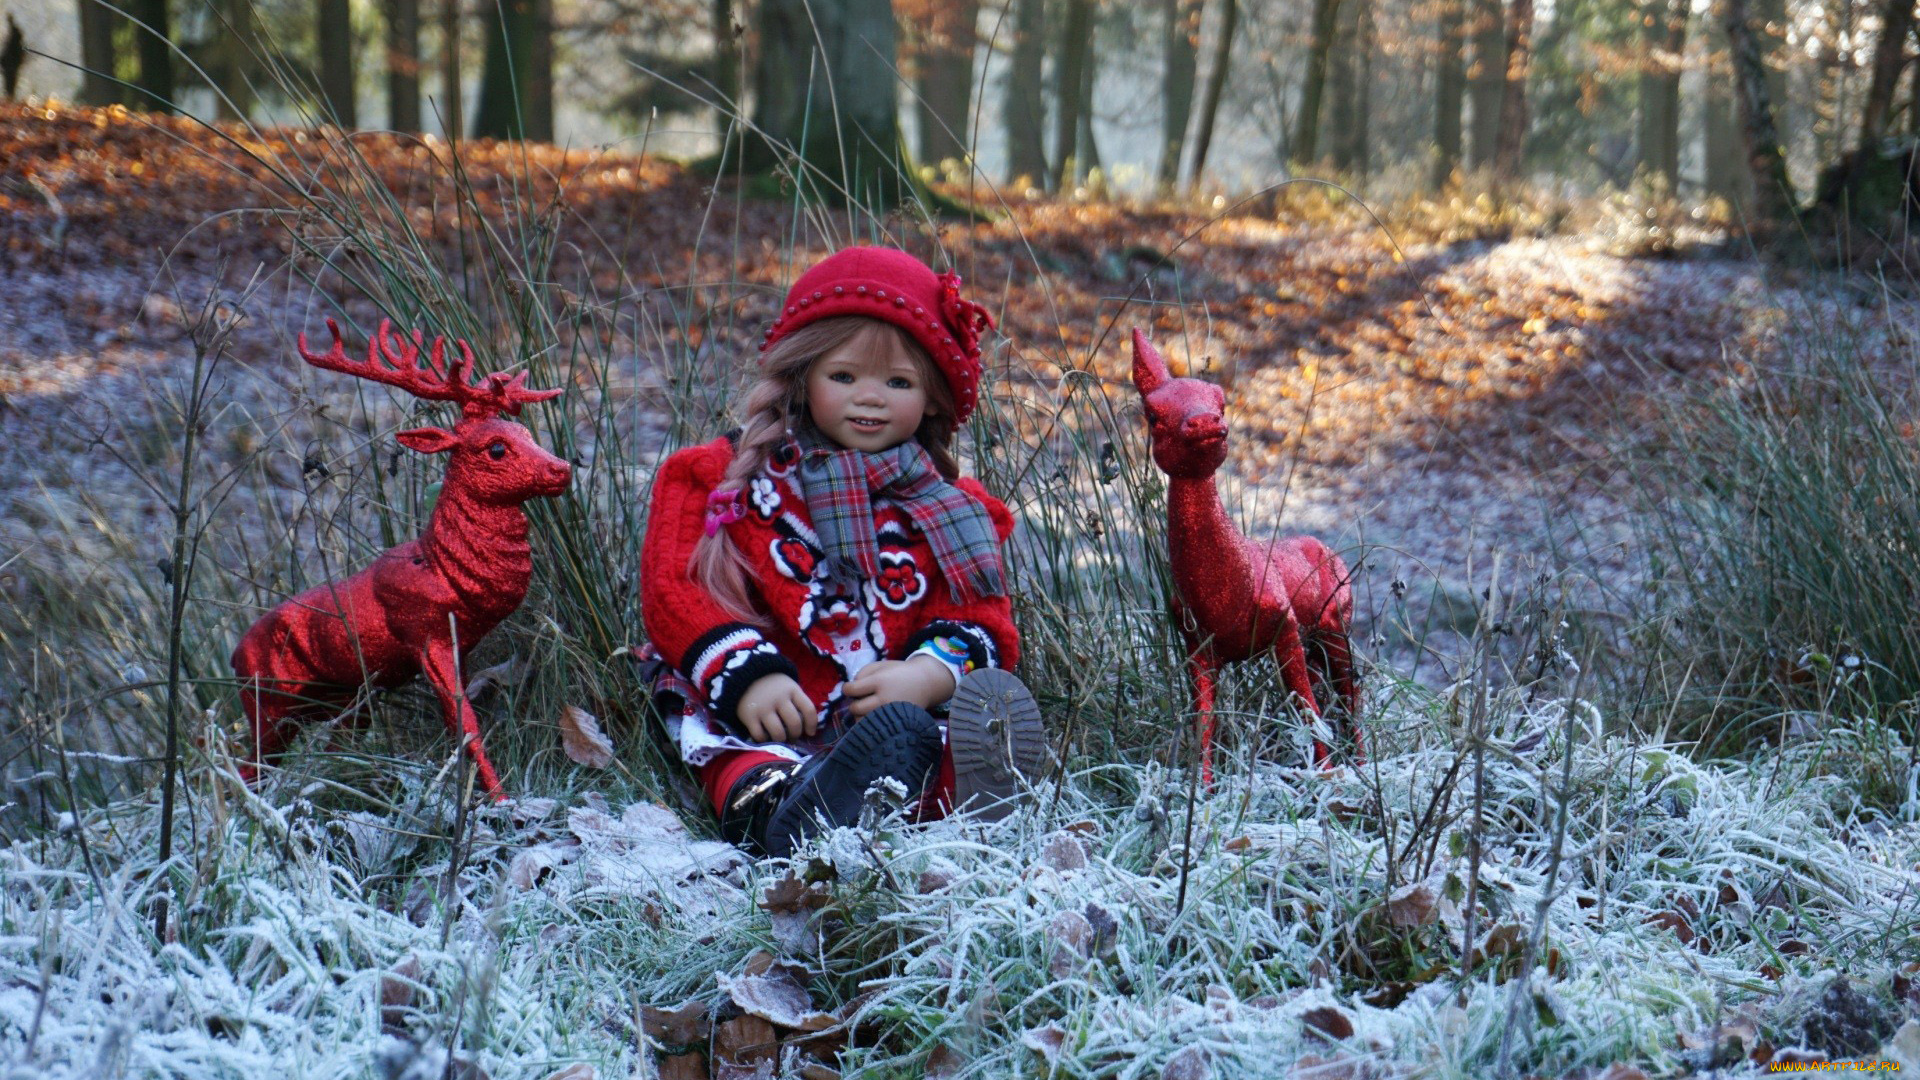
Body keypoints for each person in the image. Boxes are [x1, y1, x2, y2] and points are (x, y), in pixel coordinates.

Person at [637, 246, 1046, 857]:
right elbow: (676, 588)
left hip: (884, 715)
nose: (871, 398)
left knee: (926, 737)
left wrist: (926, 676)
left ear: (933, 397)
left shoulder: (952, 508)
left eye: (899, 382)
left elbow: (978, 616)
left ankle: (954, 794)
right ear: (802, 375)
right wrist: (751, 680)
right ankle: (783, 813)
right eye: (844, 376)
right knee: (742, 757)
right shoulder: (725, 480)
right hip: (766, 708)